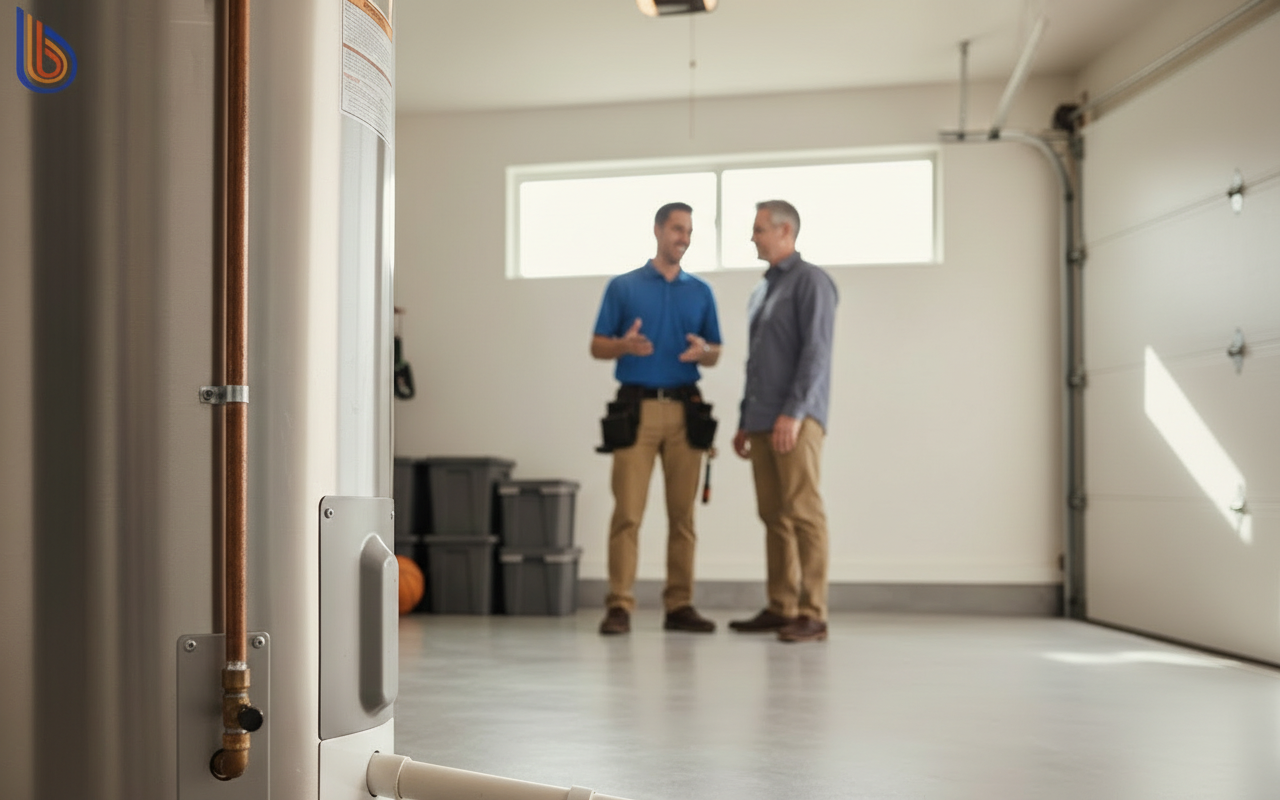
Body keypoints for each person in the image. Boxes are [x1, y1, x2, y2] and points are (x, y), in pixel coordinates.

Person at [591, 202, 723, 636]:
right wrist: (623, 347)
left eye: (688, 231)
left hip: (686, 411)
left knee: (683, 517)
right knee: (627, 513)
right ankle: (620, 606)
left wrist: (703, 353)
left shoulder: (700, 292)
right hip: (637, 412)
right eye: (676, 229)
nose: (683, 238)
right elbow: (597, 345)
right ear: (657, 230)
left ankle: (679, 605)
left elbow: (717, 352)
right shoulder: (623, 287)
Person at [729, 200, 838, 644]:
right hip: (760, 419)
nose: (753, 237)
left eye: (759, 229)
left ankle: (813, 612)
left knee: (803, 513)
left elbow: (816, 352)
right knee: (773, 514)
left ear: (785, 231)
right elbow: (757, 362)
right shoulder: (764, 288)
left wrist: (793, 412)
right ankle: (782, 606)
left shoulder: (811, 282)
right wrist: (744, 420)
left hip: (794, 418)